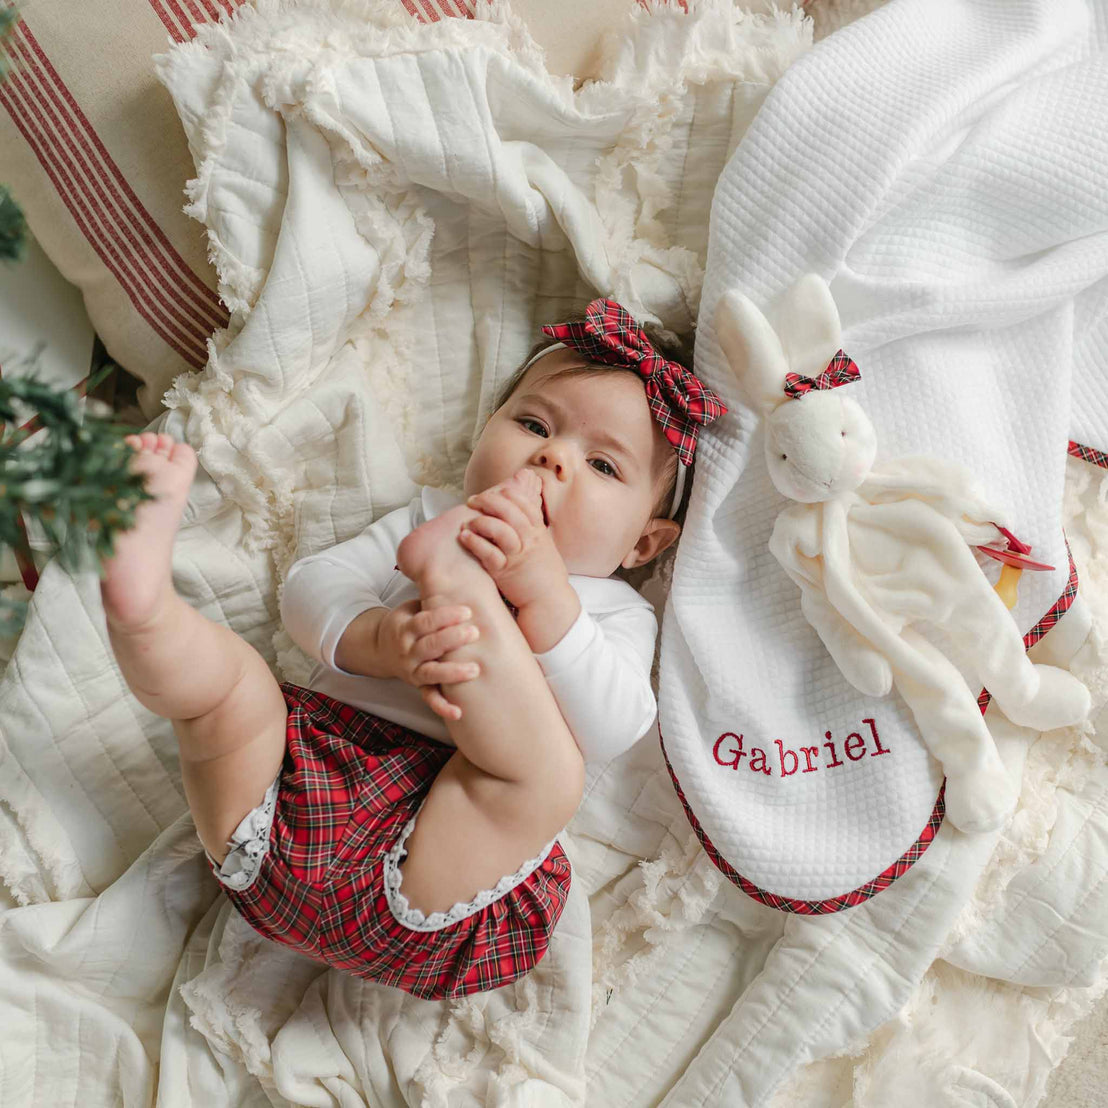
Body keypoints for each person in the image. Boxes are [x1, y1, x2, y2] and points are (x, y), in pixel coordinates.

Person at [99, 298, 726, 999]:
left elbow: (614, 726)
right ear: (485, 432)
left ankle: (455, 581)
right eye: (532, 424)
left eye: (603, 466)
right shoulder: (430, 514)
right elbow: (311, 589)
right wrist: (381, 641)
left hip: (447, 859)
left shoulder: (610, 609)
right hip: (285, 797)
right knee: (231, 689)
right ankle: (145, 609)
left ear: (643, 544)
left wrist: (546, 597)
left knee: (548, 778)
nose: (552, 457)